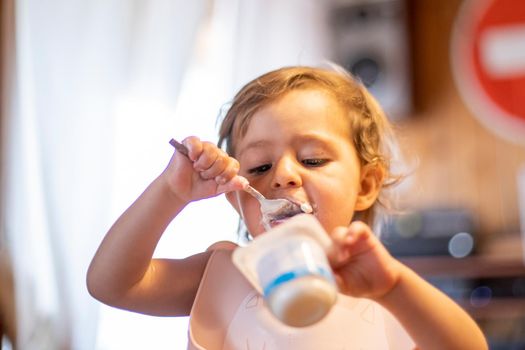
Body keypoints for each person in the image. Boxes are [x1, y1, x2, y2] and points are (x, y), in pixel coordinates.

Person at [87, 65, 488, 349]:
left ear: (365, 185)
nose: (282, 176)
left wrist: (394, 288)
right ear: (237, 197)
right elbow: (111, 284)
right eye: (259, 167)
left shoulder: (384, 292)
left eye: (312, 159)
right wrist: (170, 193)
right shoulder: (221, 274)